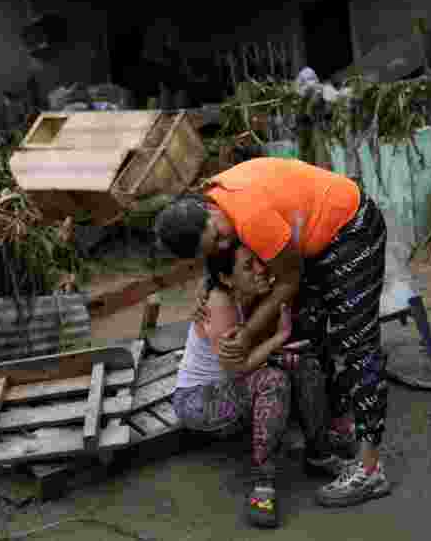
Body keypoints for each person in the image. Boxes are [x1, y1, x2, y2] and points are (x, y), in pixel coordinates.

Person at [155, 157, 391, 508]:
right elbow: (227, 260)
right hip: (318, 237)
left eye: (220, 236)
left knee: (357, 341)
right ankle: (334, 429)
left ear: (208, 207)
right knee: (308, 331)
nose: (225, 245)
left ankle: (370, 469)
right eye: (213, 250)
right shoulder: (215, 206)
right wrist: (210, 286)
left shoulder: (249, 217)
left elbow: (289, 280)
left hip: (350, 228)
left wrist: (248, 333)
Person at [172, 240, 335, 528]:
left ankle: (320, 455)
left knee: (303, 363)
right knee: (273, 379)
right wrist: (279, 337)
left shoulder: (249, 292)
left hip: (232, 385)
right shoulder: (219, 303)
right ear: (226, 278)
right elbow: (237, 368)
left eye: (258, 260)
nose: (260, 269)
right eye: (248, 267)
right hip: (198, 401)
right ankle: (263, 486)